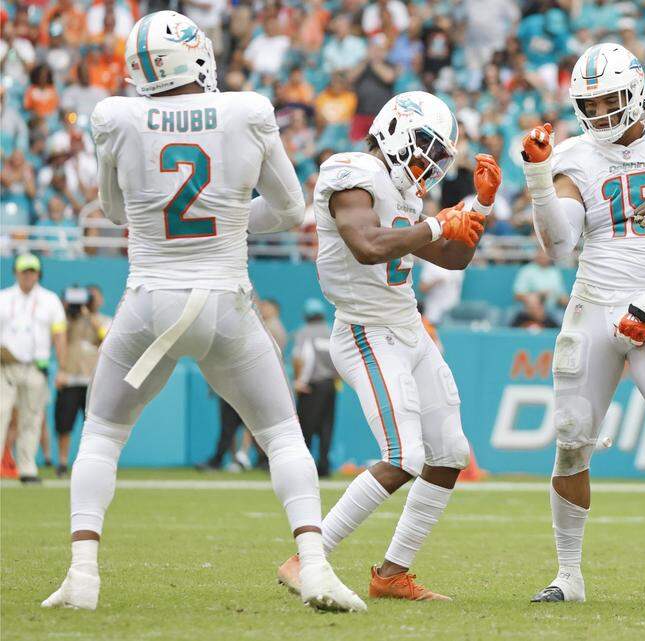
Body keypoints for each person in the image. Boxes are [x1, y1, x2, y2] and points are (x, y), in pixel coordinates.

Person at [40, 11, 363, 613]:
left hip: (146, 303)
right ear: (194, 56)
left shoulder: (117, 118)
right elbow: (291, 211)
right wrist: (232, 221)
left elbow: (112, 212)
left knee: (102, 437)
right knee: (283, 436)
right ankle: (315, 567)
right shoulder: (247, 111)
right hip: (226, 302)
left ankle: (83, 573)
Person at [276, 91, 499, 602]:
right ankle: (305, 558)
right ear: (394, 129)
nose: (429, 162)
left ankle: (392, 574)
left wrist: (480, 207)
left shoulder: (406, 191)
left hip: (407, 326)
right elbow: (367, 244)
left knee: (449, 454)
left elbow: (453, 259)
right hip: (365, 329)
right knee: (404, 455)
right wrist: (439, 222)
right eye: (425, 146)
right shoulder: (351, 171)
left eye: (438, 155)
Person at [523, 43, 645, 606]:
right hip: (593, 301)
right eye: (591, 101)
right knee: (569, 441)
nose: (602, 110)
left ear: (635, 89)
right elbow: (560, 245)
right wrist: (539, 179)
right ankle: (568, 574)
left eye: (610, 97)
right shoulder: (574, 154)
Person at [0, 254, 67, 484]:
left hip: (36, 367)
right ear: (16, 273)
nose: (28, 275)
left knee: (32, 418)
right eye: (24, 271)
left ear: (38, 273)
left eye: (32, 271)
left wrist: (62, 368)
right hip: (5, 366)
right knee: (1, 414)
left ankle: (27, 469)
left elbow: (59, 335)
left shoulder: (50, 300)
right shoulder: (3, 298)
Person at [54, 286, 107, 477]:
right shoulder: (69, 320)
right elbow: (59, 337)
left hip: (93, 381)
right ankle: (61, 463)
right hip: (70, 379)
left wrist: (88, 315)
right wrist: (68, 310)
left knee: (94, 427)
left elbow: (106, 338)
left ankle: (92, 464)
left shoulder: (102, 320)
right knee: (64, 424)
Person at [292, 298, 337, 477]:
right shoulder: (330, 332)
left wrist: (300, 381)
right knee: (326, 427)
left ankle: (304, 468)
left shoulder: (305, 333)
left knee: (306, 428)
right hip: (330, 385)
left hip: (311, 386)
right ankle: (324, 466)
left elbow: (302, 357)